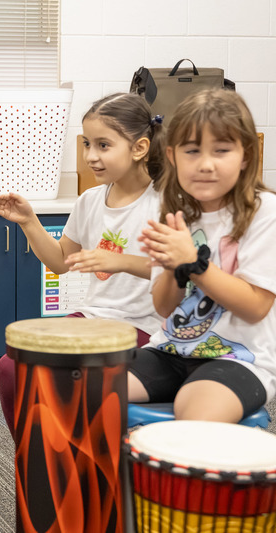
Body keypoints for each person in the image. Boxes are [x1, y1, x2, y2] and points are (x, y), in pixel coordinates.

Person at [0, 93, 166, 438]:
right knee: (11, 367)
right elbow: (59, 262)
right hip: (91, 319)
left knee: (69, 380)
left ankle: (77, 460)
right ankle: (32, 460)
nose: (90, 157)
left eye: (103, 145)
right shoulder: (89, 201)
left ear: (140, 147)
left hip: (145, 328)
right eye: (87, 144)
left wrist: (122, 262)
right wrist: (29, 222)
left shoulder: (165, 201)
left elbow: (183, 270)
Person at [133, 89, 276, 423]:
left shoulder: (265, 212)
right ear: (172, 155)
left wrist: (193, 264)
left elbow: (255, 307)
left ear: (246, 155)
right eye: (192, 151)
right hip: (169, 350)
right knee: (86, 389)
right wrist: (171, 267)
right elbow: (165, 307)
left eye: (222, 150)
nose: (206, 164)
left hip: (241, 359)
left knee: (194, 409)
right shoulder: (173, 213)